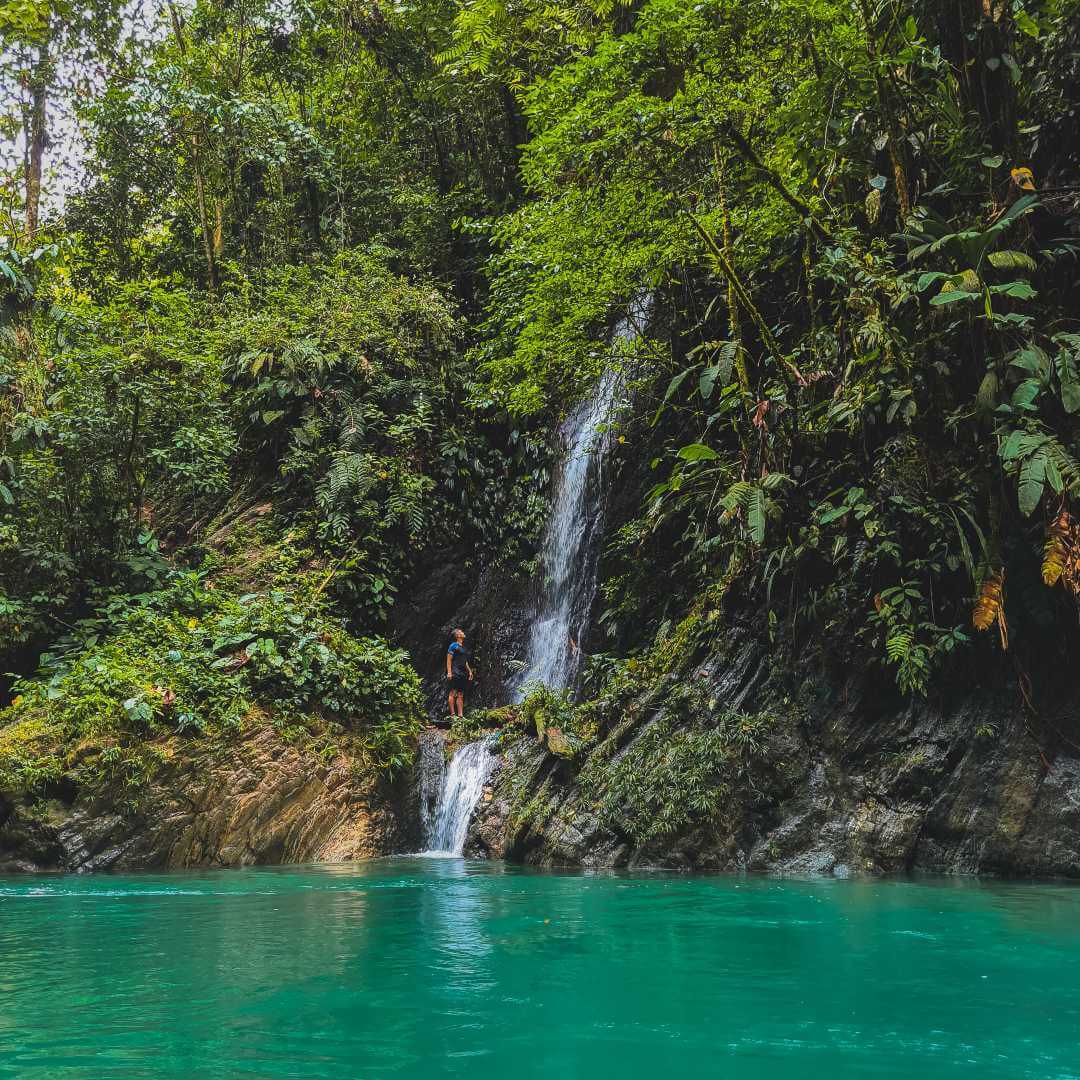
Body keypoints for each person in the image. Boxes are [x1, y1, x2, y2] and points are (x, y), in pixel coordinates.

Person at [446, 628, 473, 718]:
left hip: (462, 672)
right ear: (457, 635)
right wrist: (449, 672)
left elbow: (464, 661)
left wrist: (469, 671)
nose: (463, 632)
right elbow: (449, 659)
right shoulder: (453, 645)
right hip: (455, 671)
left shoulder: (462, 647)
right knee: (452, 692)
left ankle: (460, 715)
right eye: (461, 632)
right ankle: (453, 715)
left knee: (460, 694)